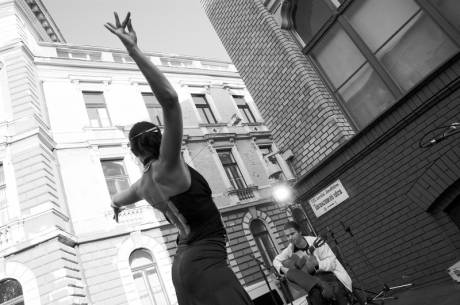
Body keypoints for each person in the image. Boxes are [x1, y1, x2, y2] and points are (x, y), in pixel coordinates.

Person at [105, 12, 253, 305]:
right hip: (207, 263)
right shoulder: (168, 166)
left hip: (182, 266)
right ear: (159, 138)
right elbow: (171, 100)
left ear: (135, 152)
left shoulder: (142, 186)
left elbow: (118, 198)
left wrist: (114, 206)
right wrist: (133, 50)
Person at [273, 222, 352, 305]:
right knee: (314, 293)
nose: (290, 238)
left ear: (300, 232)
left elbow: (332, 262)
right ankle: (319, 284)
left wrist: (318, 265)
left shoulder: (315, 241)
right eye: (287, 236)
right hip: (311, 281)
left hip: (328, 275)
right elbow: (275, 261)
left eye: (292, 234)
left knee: (324, 293)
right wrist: (283, 269)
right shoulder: (290, 250)